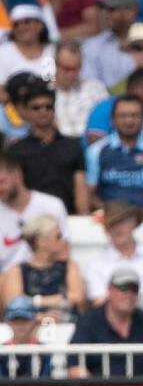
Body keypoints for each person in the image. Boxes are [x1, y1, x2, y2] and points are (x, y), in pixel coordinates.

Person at [8, 81, 87, 215]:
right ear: (26, 111)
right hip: (31, 220)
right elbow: (14, 189)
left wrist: (82, 217)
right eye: (36, 107)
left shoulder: (72, 146)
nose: (43, 111)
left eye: (48, 106)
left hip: (68, 217)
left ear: (54, 109)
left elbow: (80, 186)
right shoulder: (16, 150)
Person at [0, 213, 83, 322]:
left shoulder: (69, 266)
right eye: (58, 236)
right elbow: (14, 307)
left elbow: (77, 297)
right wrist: (42, 317)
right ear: (41, 241)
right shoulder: (17, 271)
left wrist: (33, 301)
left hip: (66, 324)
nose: (63, 241)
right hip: (29, 329)